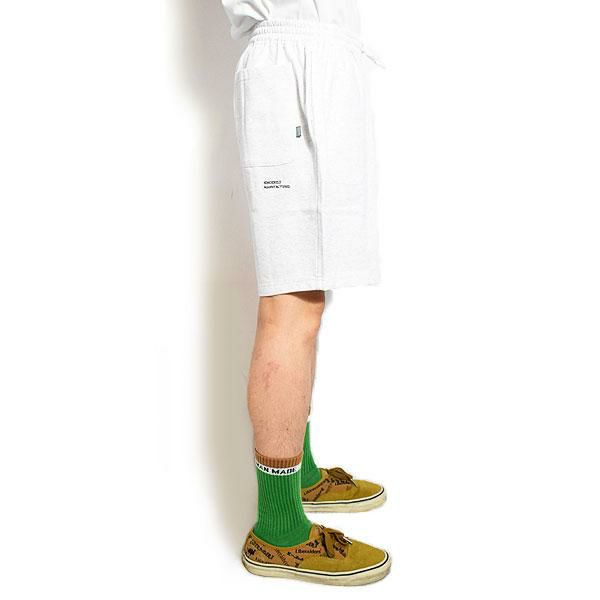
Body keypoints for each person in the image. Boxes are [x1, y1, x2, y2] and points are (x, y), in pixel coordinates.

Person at [221, 0, 390, 585]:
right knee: (291, 301)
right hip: (293, 69)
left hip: (321, 64)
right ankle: (279, 530)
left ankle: (302, 474)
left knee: (312, 286)